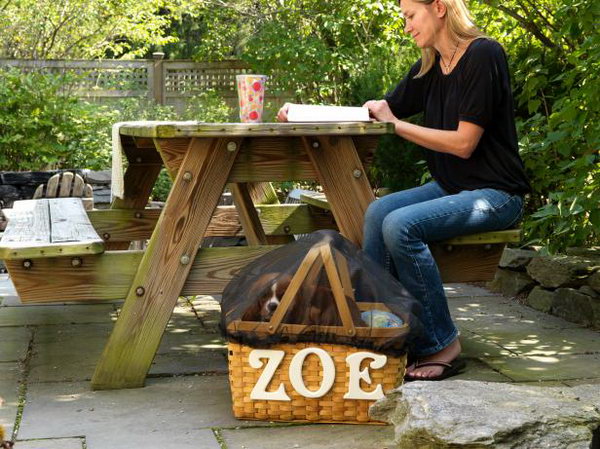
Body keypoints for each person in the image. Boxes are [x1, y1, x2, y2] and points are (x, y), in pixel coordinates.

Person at [277, 0, 530, 380]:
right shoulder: (431, 65)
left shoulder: (483, 55)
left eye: (411, 16)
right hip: (451, 187)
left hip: (496, 195)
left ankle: (441, 342)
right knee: (378, 212)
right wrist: (302, 112)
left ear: (440, 8)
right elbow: (376, 110)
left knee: (400, 225)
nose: (407, 26)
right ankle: (383, 331)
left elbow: (464, 143)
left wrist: (396, 125)